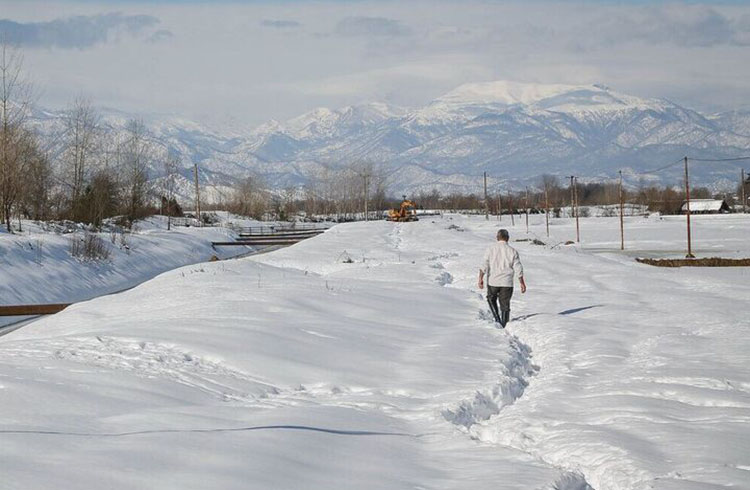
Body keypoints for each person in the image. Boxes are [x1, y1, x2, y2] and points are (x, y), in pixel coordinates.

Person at [478, 229, 526, 327]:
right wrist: (522, 282)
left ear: (497, 238)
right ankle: (504, 324)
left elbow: (484, 265)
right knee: (505, 304)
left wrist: (480, 278)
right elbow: (518, 267)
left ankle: (497, 319)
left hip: (493, 281)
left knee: (491, 299)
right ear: (507, 238)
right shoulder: (512, 251)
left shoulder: (490, 249)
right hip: (507, 282)